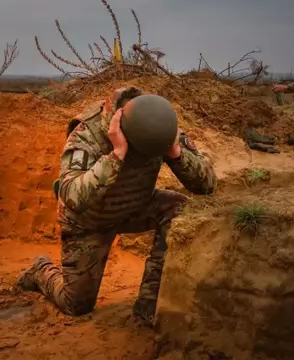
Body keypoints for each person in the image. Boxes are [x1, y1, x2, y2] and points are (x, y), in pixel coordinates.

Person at [17, 87, 216, 324]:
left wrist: (174, 152)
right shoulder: (87, 134)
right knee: (76, 304)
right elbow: (70, 196)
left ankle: (149, 303)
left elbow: (207, 184)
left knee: (178, 207)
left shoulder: (156, 126)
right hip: (89, 222)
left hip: (136, 207)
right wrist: (117, 154)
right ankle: (40, 270)